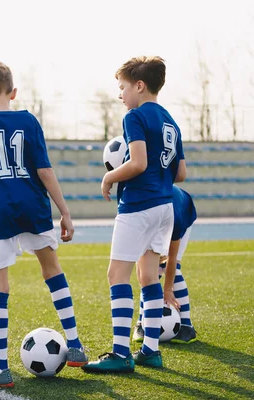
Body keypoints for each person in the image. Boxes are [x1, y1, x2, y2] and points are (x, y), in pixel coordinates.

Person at [0, 61, 88, 387]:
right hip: (33, 205)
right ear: (14, 92)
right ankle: (75, 345)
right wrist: (65, 211)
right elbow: (45, 170)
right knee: (52, 270)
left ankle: (0, 368)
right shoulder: (28, 120)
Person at [82, 56, 187, 373]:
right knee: (147, 278)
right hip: (165, 208)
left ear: (139, 86)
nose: (120, 95)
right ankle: (150, 351)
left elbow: (138, 162)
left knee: (117, 276)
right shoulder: (171, 122)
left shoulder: (135, 116)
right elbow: (180, 172)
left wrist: (110, 177)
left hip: (138, 207)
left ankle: (120, 353)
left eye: (122, 87)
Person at [133, 184, 198, 344]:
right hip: (155, 216)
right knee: (150, 271)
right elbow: (140, 262)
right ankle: (142, 323)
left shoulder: (175, 216)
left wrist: (168, 290)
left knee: (170, 268)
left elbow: (172, 258)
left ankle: (186, 325)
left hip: (184, 210)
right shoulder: (137, 213)